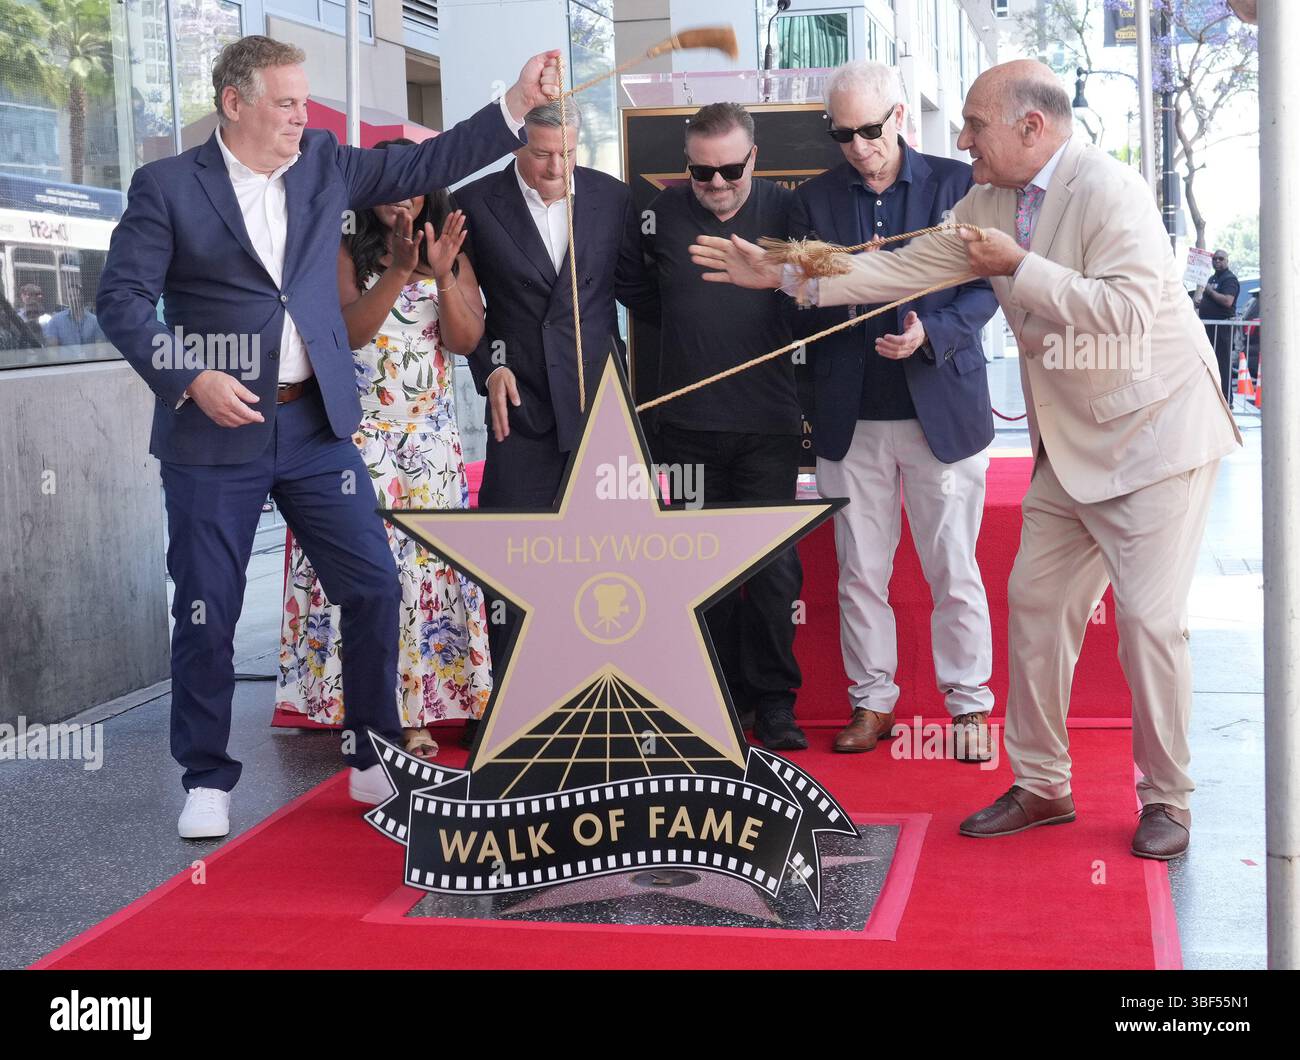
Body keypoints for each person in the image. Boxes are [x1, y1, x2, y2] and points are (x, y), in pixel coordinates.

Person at [690, 59, 1240, 860]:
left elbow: (1127, 310)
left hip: (1153, 440)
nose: (961, 138)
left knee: (1150, 627)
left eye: (976, 124)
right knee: (1035, 607)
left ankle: (1168, 798)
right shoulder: (988, 199)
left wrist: (1018, 265)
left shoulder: (1109, 191)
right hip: (1072, 449)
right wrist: (784, 276)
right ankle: (1044, 783)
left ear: (1032, 128)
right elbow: (902, 270)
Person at [96, 33, 560, 839]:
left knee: (375, 586)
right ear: (234, 103)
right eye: (285, 102)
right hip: (214, 431)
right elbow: (123, 302)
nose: (301, 115)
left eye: (304, 101)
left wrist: (515, 103)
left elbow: (427, 162)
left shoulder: (323, 162)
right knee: (209, 605)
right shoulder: (166, 186)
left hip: (316, 425)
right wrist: (191, 377)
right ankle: (206, 777)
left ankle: (372, 753)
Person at [789, 62, 1000, 761]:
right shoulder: (812, 199)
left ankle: (968, 707)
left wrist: (929, 334)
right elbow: (795, 297)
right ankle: (872, 702)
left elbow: (989, 286)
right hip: (849, 414)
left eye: (870, 130)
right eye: (842, 133)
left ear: (901, 116)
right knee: (859, 570)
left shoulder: (957, 184)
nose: (857, 145)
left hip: (942, 406)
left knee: (953, 566)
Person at [277, 144, 491, 762]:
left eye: (415, 184)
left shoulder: (451, 255)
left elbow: (466, 338)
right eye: (391, 183)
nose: (403, 194)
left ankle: (422, 712)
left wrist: (444, 273)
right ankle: (376, 713)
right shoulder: (342, 252)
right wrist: (398, 269)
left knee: (426, 573)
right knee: (379, 576)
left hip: (431, 444)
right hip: (357, 442)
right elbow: (348, 335)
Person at [455, 99, 650, 748]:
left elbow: (639, 294)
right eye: (543, 154)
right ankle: (511, 705)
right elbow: (460, 298)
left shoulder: (613, 199)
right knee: (510, 557)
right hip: (522, 405)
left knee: (612, 561)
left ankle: (611, 701)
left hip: (603, 408)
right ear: (518, 148)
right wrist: (490, 367)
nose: (557, 166)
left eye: (568, 153)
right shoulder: (477, 203)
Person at [634, 101, 806, 750]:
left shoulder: (788, 213)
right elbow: (638, 292)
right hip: (684, 429)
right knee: (698, 575)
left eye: (730, 169)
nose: (717, 184)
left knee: (771, 572)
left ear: (754, 158)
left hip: (768, 426)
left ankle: (775, 702)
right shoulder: (658, 214)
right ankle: (716, 699)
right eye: (700, 173)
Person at [1195, 249, 1240, 402]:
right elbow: (1210, 298)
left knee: (1222, 362)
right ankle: (1214, 396)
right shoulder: (1213, 278)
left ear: (1227, 260)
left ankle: (1227, 399)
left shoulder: (1229, 279)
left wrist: (1209, 292)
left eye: (1221, 259)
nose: (1217, 261)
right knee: (1210, 361)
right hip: (1210, 327)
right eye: (1215, 259)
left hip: (1222, 328)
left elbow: (1228, 301)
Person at [43, 277, 105, 346]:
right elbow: (52, 349)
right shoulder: (55, 320)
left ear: (82, 297)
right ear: (66, 299)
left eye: (76, 295)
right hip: (66, 357)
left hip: (90, 357)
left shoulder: (94, 321)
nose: (73, 298)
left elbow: (100, 348)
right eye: (70, 296)